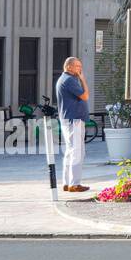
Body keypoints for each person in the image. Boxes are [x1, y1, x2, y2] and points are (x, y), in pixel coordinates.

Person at [55, 57, 91, 193]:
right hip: (74, 120)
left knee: (70, 152)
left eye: (80, 66)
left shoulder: (64, 79)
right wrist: (83, 80)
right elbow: (85, 96)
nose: (80, 69)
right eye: (77, 66)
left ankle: (67, 182)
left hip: (69, 119)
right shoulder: (70, 80)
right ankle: (74, 184)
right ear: (69, 67)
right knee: (77, 152)